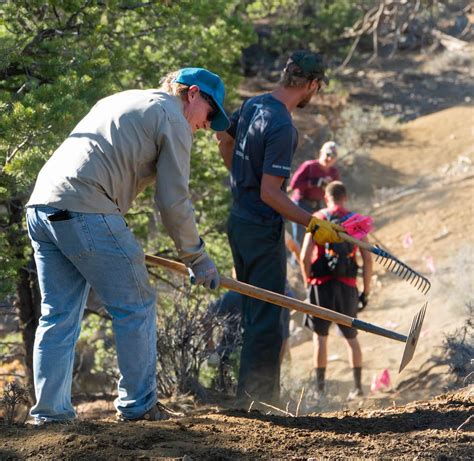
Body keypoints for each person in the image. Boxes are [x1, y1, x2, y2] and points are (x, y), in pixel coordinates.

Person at [25, 67, 230, 424]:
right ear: (193, 94)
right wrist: (197, 258)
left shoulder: (123, 99)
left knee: (57, 314)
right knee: (135, 303)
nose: (208, 125)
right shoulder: (173, 117)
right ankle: (140, 406)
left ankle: (50, 415)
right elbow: (173, 201)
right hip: (84, 206)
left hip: (41, 206)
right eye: (211, 115)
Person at [216, 50, 345, 406]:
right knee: (268, 318)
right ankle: (259, 405)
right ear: (313, 85)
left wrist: (241, 179)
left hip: (238, 220)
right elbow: (271, 194)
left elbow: (223, 141)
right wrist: (314, 224)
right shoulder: (283, 126)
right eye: (317, 87)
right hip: (259, 227)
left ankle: (247, 398)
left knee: (253, 312)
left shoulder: (254, 104)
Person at [300, 181, 373, 401]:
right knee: (351, 337)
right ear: (345, 197)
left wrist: (307, 282)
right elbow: (368, 259)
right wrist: (366, 291)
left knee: (320, 337)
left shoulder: (318, 218)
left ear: (326, 197)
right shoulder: (356, 221)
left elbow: (305, 256)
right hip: (347, 286)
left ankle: (320, 390)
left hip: (320, 284)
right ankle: (358, 388)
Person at [289, 141, 340, 246]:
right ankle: (298, 262)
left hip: (318, 206)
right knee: (300, 238)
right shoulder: (309, 166)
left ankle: (313, 261)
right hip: (301, 204)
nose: (329, 158)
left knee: (317, 238)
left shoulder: (334, 172)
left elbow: (336, 191)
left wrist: (329, 186)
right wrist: (314, 182)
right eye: (328, 154)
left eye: (333, 156)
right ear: (321, 153)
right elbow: (294, 184)